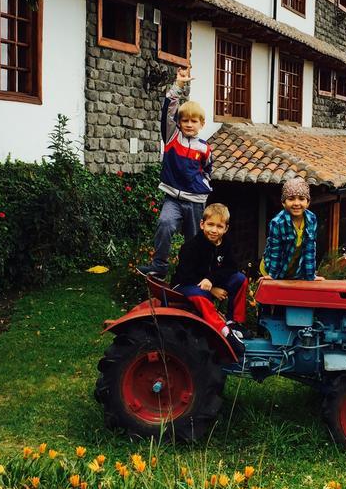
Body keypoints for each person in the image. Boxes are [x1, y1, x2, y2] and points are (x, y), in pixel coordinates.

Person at [138, 65, 212, 279]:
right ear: (178, 123)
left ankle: (192, 275)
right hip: (173, 197)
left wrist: (203, 186)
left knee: (194, 240)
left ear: (201, 124)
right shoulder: (172, 138)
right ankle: (159, 267)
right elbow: (168, 109)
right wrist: (179, 84)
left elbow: (207, 170)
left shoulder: (205, 148)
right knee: (165, 223)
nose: (189, 124)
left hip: (195, 200)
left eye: (193, 121)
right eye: (185, 120)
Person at [171, 202, 248, 352]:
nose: (214, 230)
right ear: (202, 224)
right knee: (201, 297)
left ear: (226, 228)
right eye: (210, 224)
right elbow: (186, 275)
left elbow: (231, 267)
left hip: (209, 283)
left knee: (240, 279)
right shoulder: (191, 247)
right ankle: (224, 332)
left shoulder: (225, 245)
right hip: (186, 285)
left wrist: (212, 280)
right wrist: (211, 289)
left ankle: (234, 322)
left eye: (219, 226)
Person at [260, 176, 322, 281]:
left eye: (301, 199)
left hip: (295, 271)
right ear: (283, 203)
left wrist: (310, 276)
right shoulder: (277, 223)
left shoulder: (312, 219)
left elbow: (310, 248)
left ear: (308, 202)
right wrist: (272, 276)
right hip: (272, 269)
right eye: (291, 198)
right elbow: (276, 250)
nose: (296, 203)